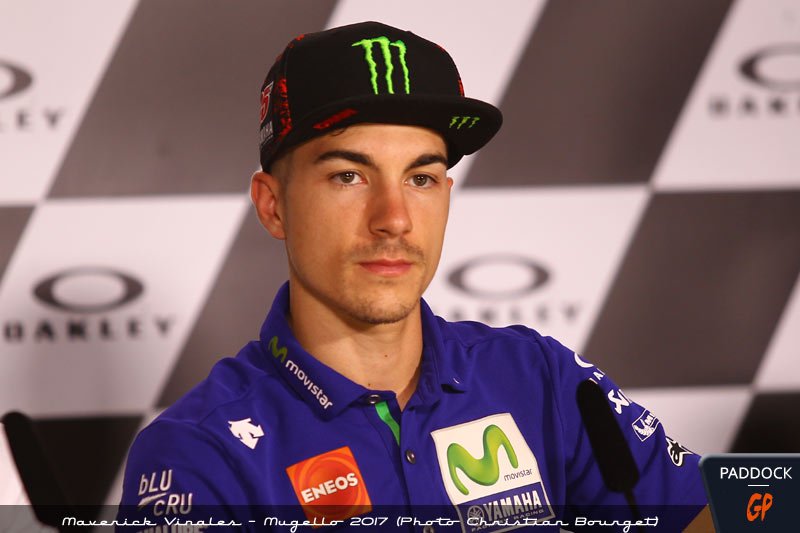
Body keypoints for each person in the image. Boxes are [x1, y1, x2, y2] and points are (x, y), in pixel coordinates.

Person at [118, 21, 712, 532]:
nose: (394, 218)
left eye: (420, 178)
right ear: (273, 206)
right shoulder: (199, 452)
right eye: (349, 176)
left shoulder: (539, 375)